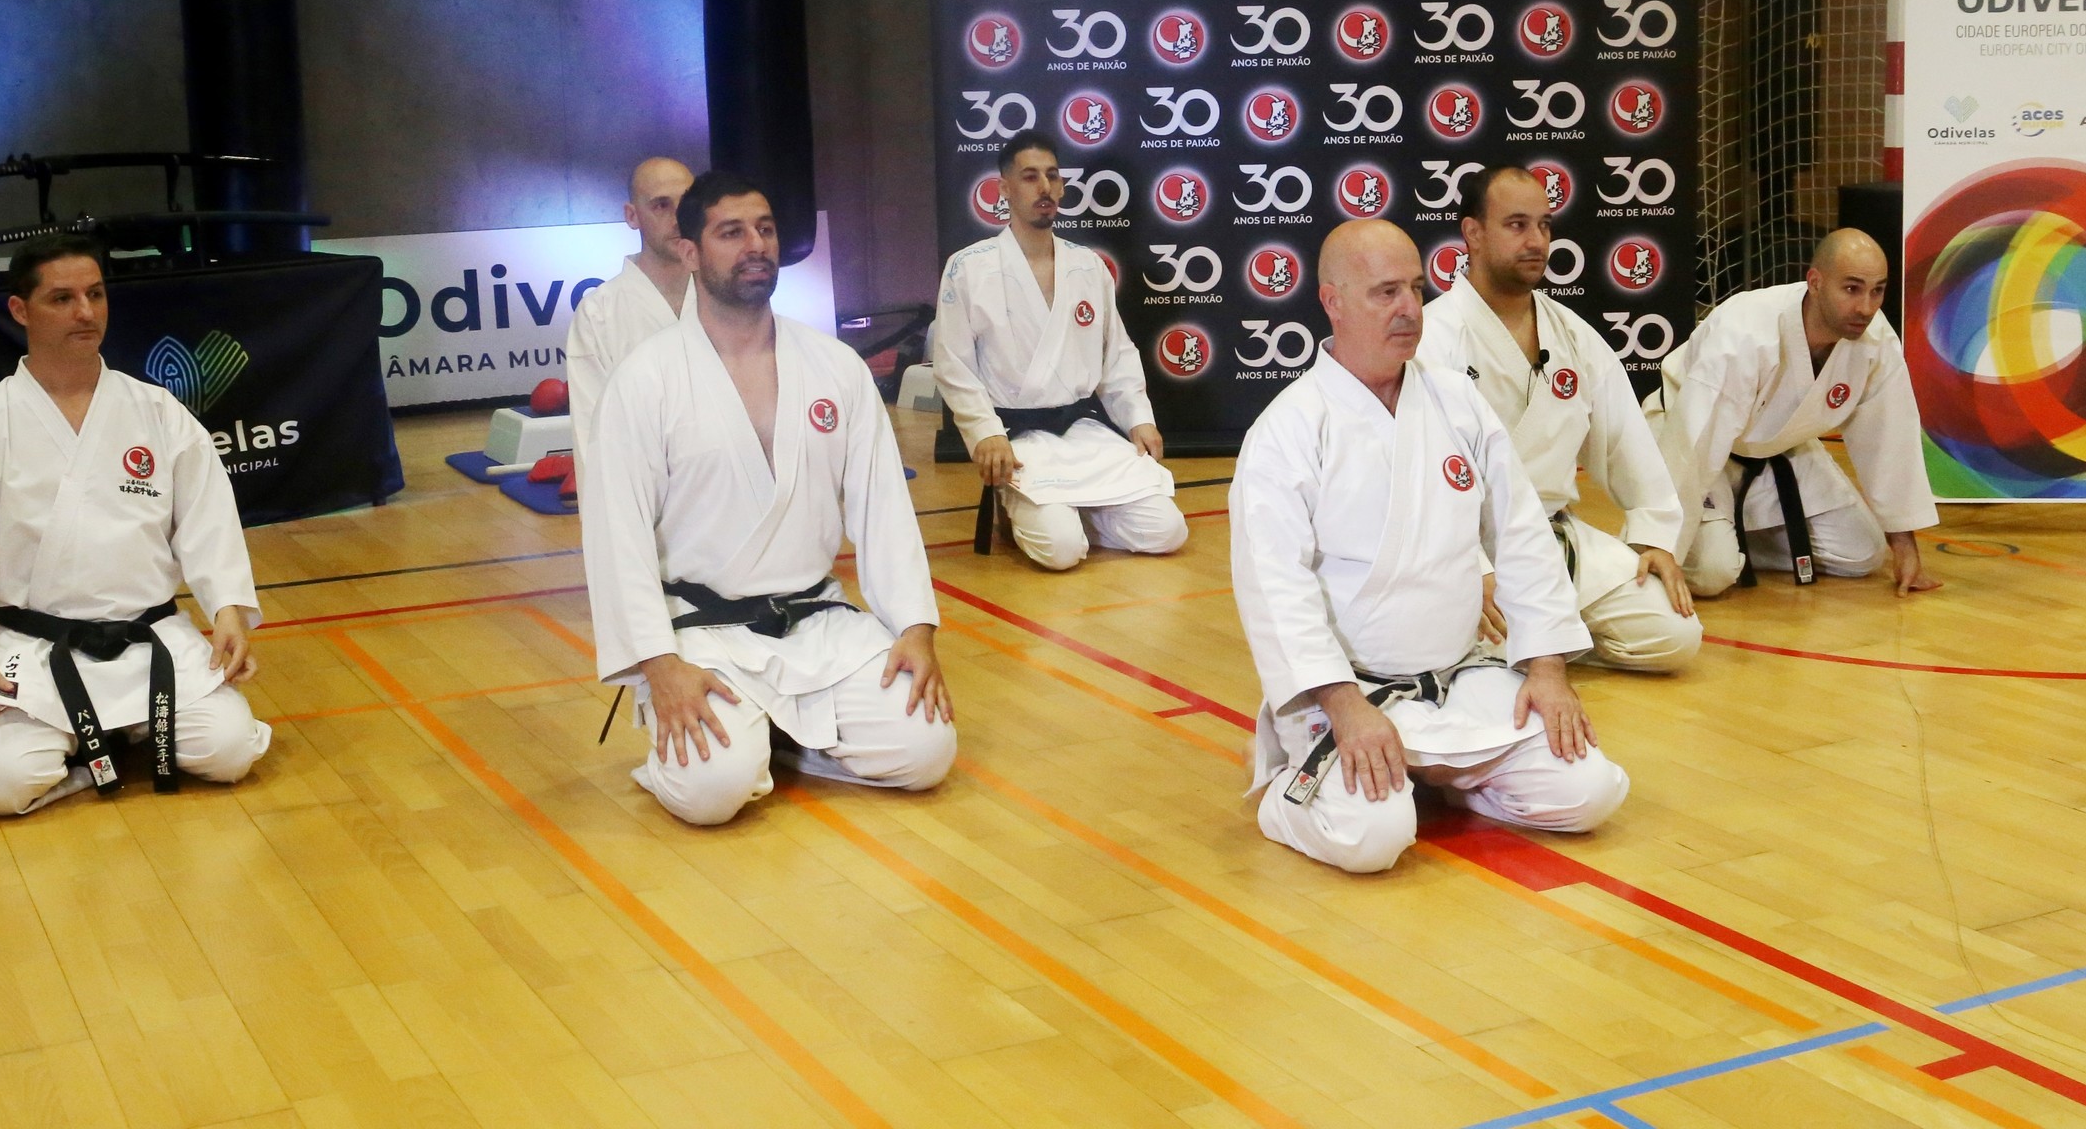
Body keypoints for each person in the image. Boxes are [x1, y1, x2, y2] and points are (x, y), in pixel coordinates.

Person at [1230, 219, 1628, 874]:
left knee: (1590, 791)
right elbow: (1275, 588)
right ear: (1332, 301)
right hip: (1351, 692)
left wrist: (1547, 668)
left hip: (1459, 677)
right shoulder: (1288, 429)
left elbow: (1522, 533)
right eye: (1385, 292)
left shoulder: (1455, 399)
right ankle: (1287, 791)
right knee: (1374, 838)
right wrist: (1345, 708)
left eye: (1416, 289)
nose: (1409, 309)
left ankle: (1447, 778)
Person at [582, 171, 955, 825]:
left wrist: (914, 629)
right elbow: (619, 538)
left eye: (765, 229)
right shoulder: (645, 380)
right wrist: (660, 668)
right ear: (690, 251)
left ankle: (782, 740)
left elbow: (883, 511)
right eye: (731, 232)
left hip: (817, 623)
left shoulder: (834, 367)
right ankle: (743, 742)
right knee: (712, 792)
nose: (755, 244)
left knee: (926, 752)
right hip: (700, 634)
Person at [0, 236, 270, 815]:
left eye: (96, 294)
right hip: (38, 649)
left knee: (230, 751)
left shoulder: (156, 410)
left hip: (150, 639)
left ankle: (111, 734)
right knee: (1, 785)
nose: (85, 312)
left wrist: (227, 609)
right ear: (20, 310)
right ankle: (91, 750)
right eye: (62, 298)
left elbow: (208, 520)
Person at [1418, 167, 1701, 671]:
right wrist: (1473, 566)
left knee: (1675, 635)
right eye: (1517, 225)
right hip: (1470, 550)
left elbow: (1624, 440)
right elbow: (1424, 477)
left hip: (1554, 537)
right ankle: (1540, 638)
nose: (1536, 241)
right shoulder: (1435, 337)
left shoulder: (1570, 334)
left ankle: (1548, 636)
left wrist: (1654, 534)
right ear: (1473, 233)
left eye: (1544, 225)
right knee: (1474, 654)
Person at [931, 130, 1184, 571]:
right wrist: (985, 433)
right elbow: (954, 366)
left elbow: (1117, 354)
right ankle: (1022, 504)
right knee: (1061, 551)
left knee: (1167, 532)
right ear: (1004, 189)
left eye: (1052, 176)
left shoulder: (1087, 266)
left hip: (1082, 433)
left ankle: (1079, 512)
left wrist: (1138, 417)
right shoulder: (969, 267)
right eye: (1030, 177)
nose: (1044, 187)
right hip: (1017, 438)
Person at [1643, 229, 1944, 597]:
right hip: (1685, 439)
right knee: (1711, 573)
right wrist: (1660, 542)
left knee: (1862, 552)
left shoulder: (1874, 339)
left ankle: (1728, 537)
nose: (1866, 308)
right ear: (1815, 282)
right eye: (1852, 289)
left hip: (1778, 448)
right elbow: (1695, 441)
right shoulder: (1744, 333)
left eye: (1877, 290)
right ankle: (1702, 544)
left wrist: (1904, 543)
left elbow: (1889, 437)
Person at [562, 155, 697, 501]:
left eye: (686, 203)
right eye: (661, 205)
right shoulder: (599, 314)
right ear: (632, 216)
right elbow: (593, 434)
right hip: (644, 496)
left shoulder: (729, 299)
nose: (678, 218)